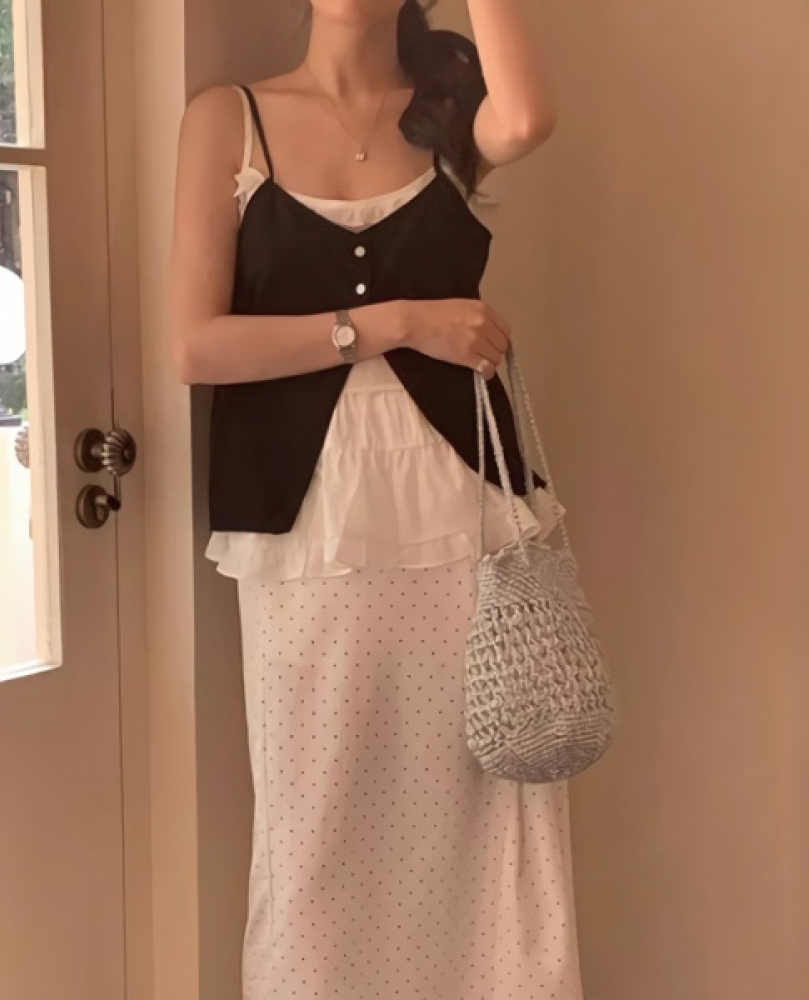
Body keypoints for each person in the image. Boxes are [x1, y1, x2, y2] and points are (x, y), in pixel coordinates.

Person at [169, 0, 582, 996]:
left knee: (489, 813)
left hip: (464, 517)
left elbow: (528, 117)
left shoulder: (447, 106)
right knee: (312, 827)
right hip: (305, 526)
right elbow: (195, 347)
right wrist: (394, 323)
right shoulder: (227, 118)